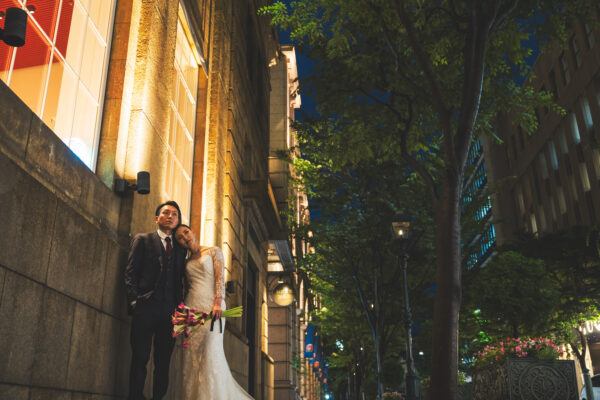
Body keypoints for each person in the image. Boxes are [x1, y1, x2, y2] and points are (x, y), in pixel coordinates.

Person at [173, 224, 253, 399]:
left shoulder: (213, 251)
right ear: (179, 242)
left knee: (211, 353)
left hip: (213, 308)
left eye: (186, 232)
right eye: (180, 237)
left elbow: (220, 278)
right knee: (191, 359)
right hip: (192, 309)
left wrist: (218, 301)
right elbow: (187, 287)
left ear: (192, 231)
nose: (185, 237)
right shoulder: (186, 262)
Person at [124, 201, 186, 400]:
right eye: (166, 213)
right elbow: (130, 272)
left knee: (163, 363)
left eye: (174, 214)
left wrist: (180, 310)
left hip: (169, 313)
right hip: (145, 308)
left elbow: (179, 281)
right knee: (140, 358)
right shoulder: (142, 239)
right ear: (156, 218)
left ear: (178, 221)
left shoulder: (180, 250)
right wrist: (134, 301)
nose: (170, 216)